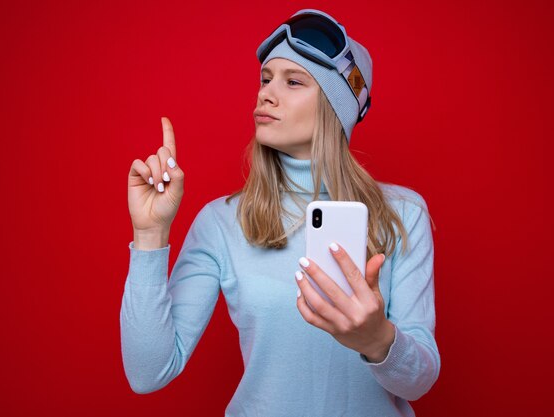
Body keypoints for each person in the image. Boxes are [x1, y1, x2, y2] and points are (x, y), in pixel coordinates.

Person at [121, 8, 440, 417]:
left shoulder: (403, 214)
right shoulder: (221, 222)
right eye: (266, 79)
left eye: (293, 82)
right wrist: (149, 235)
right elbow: (148, 372)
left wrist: (377, 340)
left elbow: (420, 381)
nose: (266, 94)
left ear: (333, 106)